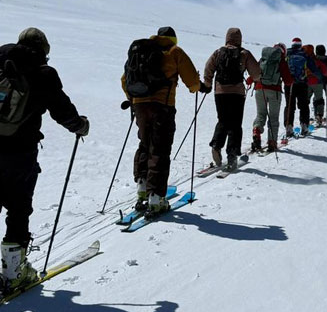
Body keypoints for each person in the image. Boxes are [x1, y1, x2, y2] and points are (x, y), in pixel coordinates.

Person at [0, 27, 90, 296]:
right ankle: (13, 273)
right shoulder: (44, 74)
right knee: (18, 208)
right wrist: (79, 126)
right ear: (44, 51)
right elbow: (61, 109)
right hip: (18, 153)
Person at [121, 26, 204, 215]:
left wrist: (134, 99)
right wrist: (198, 87)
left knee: (145, 144)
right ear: (173, 39)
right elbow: (191, 81)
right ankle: (156, 198)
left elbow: (125, 79)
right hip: (162, 106)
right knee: (160, 148)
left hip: (140, 106)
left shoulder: (141, 51)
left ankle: (142, 188)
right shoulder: (174, 52)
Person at [203, 27, 261, 171]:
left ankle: (216, 145)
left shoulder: (218, 52)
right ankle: (232, 156)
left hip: (220, 92)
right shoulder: (244, 53)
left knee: (223, 120)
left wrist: (208, 83)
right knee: (235, 124)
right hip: (237, 93)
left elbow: (208, 68)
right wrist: (256, 78)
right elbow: (256, 73)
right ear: (239, 39)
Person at [247, 43, 293, 152]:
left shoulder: (263, 59)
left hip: (259, 89)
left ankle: (256, 132)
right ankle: (272, 142)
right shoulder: (281, 61)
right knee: (273, 117)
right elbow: (288, 81)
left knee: (261, 114)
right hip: (274, 91)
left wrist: (249, 81)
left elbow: (254, 73)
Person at [283, 37, 321, 137]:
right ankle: (304, 126)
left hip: (289, 84)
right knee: (303, 105)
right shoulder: (304, 54)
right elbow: (313, 68)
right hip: (302, 83)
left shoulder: (287, 53)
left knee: (290, 105)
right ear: (300, 45)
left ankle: (288, 126)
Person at [303, 44, 327, 127]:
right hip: (318, 83)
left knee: (306, 100)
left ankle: (305, 119)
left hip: (306, 83)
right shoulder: (317, 60)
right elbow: (325, 72)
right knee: (319, 100)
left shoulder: (303, 60)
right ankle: (319, 116)